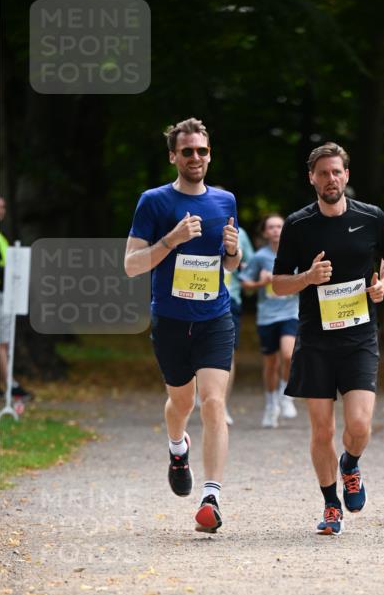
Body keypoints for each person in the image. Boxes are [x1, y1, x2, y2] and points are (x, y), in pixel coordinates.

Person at [272, 142, 384, 536]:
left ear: (346, 176)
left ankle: (350, 464)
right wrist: (307, 279)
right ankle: (331, 505)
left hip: (360, 337)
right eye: (323, 173)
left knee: (360, 425)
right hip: (315, 339)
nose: (331, 179)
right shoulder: (298, 224)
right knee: (322, 430)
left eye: (337, 172)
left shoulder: (371, 217)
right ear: (311, 178)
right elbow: (278, 284)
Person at [124, 117, 241, 534]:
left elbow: (229, 264)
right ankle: (178, 449)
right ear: (173, 156)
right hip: (172, 321)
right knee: (182, 403)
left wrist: (233, 252)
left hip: (215, 317)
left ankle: (211, 497)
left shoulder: (225, 200)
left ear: (210, 155)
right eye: (187, 151)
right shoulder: (154, 202)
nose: (195, 157)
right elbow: (132, 265)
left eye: (202, 151)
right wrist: (170, 240)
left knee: (213, 402)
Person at [241, 214, 298, 428]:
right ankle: (271, 404)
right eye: (271, 227)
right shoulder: (259, 257)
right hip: (266, 315)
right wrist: (260, 283)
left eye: (279, 226)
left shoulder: (295, 254)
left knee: (288, 354)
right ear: (265, 232)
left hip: (290, 312)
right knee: (270, 364)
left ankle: (286, 396)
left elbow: (306, 280)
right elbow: (245, 283)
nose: (275, 230)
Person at [216, 188, 254, 426]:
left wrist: (236, 259)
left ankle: (222, 405)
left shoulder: (240, 233)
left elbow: (248, 262)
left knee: (227, 356)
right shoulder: (191, 226)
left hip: (230, 300)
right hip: (194, 298)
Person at [0, 196, 32, 401]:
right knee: (2, 343)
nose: (2, 209)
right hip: (1, 295)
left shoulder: (1, 236)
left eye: (4, 206)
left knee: (4, 342)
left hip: (5, 294)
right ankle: (10, 385)